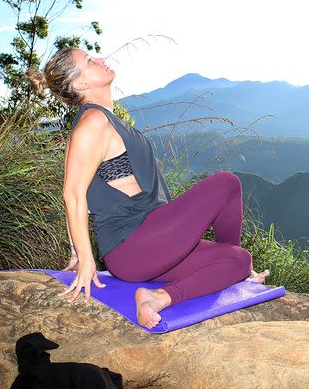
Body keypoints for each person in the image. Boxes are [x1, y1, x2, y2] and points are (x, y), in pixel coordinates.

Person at [28, 47, 268, 329]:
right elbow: (73, 193)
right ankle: (219, 275)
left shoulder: (101, 120)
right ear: (80, 84)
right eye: (90, 61)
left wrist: (73, 251)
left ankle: (158, 298)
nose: (101, 59)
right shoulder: (93, 122)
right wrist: (85, 260)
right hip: (134, 242)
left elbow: (76, 190)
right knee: (227, 183)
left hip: (150, 248)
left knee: (240, 260)